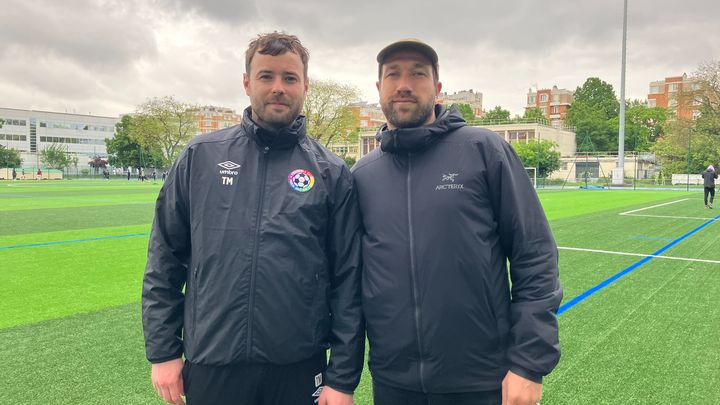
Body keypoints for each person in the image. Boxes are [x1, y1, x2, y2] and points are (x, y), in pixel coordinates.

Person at [142, 32, 363, 405]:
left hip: (297, 363)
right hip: (212, 361)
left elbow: (348, 279)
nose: (278, 87)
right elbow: (164, 259)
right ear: (247, 83)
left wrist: (341, 378)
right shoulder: (201, 157)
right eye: (266, 76)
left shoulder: (331, 171)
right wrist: (164, 352)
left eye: (290, 78)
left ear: (305, 85)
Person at [351, 39, 562, 405]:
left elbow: (535, 255)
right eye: (393, 74)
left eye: (418, 73)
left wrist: (528, 364)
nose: (404, 84)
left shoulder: (484, 150)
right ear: (379, 89)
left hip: (480, 380)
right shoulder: (362, 174)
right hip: (392, 382)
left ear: (438, 89)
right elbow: (349, 282)